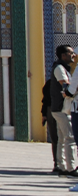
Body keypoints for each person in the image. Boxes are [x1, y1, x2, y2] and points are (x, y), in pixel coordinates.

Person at [51, 45, 78, 177]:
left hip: (59, 108)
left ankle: (61, 165)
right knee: (70, 137)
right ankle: (71, 167)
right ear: (63, 55)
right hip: (62, 108)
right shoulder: (60, 69)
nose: (73, 55)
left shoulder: (63, 68)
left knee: (62, 138)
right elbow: (66, 86)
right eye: (71, 53)